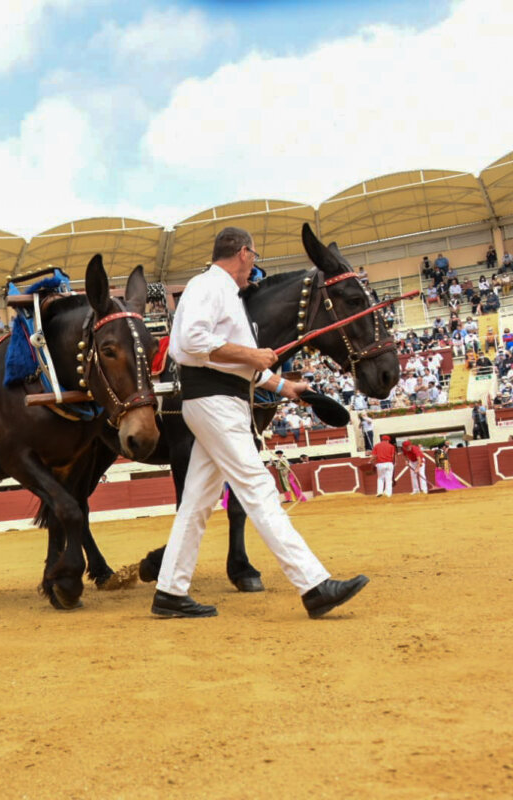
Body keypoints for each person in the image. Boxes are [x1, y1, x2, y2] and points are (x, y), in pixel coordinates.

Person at [150, 226, 368, 619]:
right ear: (244, 253)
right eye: (254, 257)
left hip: (222, 399)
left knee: (196, 503)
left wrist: (286, 387)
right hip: (215, 402)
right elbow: (192, 341)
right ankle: (314, 584)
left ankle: (169, 591)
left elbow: (231, 362)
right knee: (257, 487)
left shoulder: (225, 294)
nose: (254, 267)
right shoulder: (208, 286)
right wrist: (252, 356)